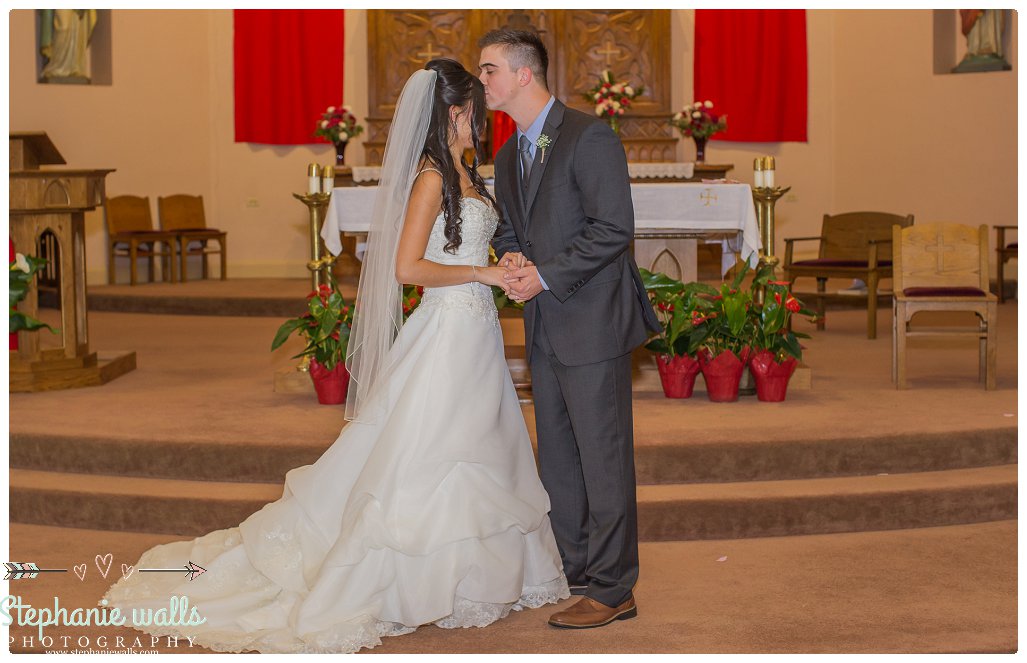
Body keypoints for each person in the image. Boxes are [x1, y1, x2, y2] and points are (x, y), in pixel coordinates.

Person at [99, 59, 569, 654]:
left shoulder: (464, 171)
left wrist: (499, 267)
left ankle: (472, 577)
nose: (484, 120)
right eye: (476, 109)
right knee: (438, 451)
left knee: (477, 447)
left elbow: (465, 243)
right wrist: (483, 273)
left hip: (475, 331)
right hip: (448, 330)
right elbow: (406, 268)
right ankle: (407, 580)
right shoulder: (431, 178)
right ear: (455, 113)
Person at [477, 30, 660, 629]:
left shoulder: (589, 136)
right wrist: (510, 260)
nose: (484, 84)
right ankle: (577, 568)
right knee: (558, 455)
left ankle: (615, 589)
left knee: (603, 456)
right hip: (543, 321)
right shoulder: (506, 155)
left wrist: (547, 275)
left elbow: (613, 228)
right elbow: (511, 230)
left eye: (489, 71)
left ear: (523, 75)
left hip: (590, 319)